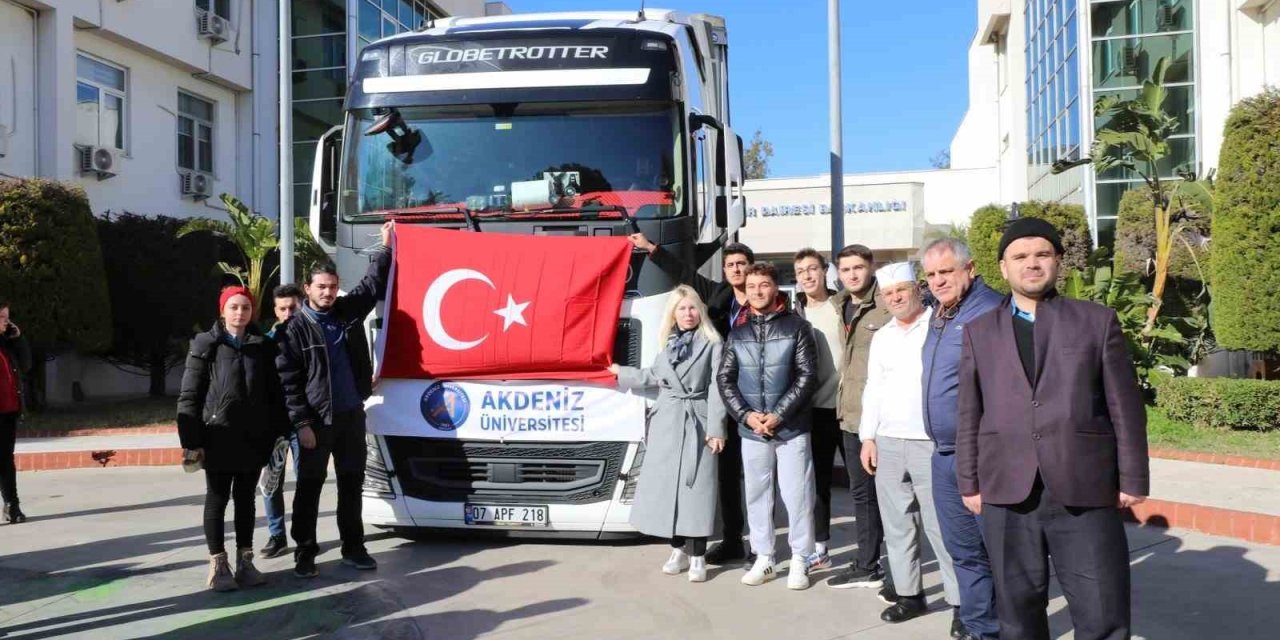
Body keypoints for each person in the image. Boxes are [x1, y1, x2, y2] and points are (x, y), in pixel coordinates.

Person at [957, 218, 1149, 640]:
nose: (1032, 264)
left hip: (1084, 485)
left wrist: (1132, 477)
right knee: (1017, 612)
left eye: (1042, 254)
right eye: (1020, 256)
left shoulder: (1096, 321)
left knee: (1101, 608)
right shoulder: (978, 332)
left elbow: (1125, 405)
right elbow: (970, 411)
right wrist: (969, 481)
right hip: (1006, 489)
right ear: (1003, 268)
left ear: (1058, 261)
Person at [629, 231, 755, 564]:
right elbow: (684, 275)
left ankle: (757, 540)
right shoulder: (717, 294)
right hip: (716, 396)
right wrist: (651, 249)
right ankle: (730, 539)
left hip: (752, 398)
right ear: (725, 270)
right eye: (730, 265)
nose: (736, 270)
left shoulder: (762, 300)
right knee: (722, 474)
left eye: (742, 264)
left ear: (752, 268)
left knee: (753, 476)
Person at [276, 221, 393, 579]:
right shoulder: (292, 330)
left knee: (351, 484)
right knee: (309, 490)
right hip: (316, 423)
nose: (327, 293)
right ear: (307, 289)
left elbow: (372, 285)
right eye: (321, 287)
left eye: (332, 287)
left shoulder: (345, 314)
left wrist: (386, 247)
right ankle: (305, 553)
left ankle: (354, 548)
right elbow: (289, 383)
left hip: (350, 416)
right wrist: (302, 425)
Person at [859, 262, 961, 625]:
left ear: (918, 288)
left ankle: (962, 604)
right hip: (888, 440)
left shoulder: (939, 326)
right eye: (888, 293)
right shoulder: (883, 335)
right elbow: (873, 387)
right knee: (898, 523)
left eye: (901, 289)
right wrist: (867, 436)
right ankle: (909, 594)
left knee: (942, 525)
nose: (896, 297)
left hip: (929, 441)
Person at [610, 285, 726, 583]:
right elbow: (653, 376)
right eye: (681, 308)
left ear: (700, 310)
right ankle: (677, 549)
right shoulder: (669, 343)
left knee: (696, 490)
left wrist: (716, 428)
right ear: (673, 313)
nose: (688, 314)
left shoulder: (713, 343)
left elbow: (717, 388)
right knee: (667, 491)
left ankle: (698, 554)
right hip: (667, 424)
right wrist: (619, 372)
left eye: (692, 308)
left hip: (697, 422)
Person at [920, 238, 1004, 640]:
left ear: (969, 269)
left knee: (1002, 553)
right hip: (944, 454)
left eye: (946, 271)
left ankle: (1013, 626)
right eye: (932, 274)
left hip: (984, 455)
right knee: (964, 551)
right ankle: (979, 628)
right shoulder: (941, 313)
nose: (938, 281)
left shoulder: (990, 311)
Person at [177, 286, 287, 591]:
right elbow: (190, 394)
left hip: (253, 438)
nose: (240, 313)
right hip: (216, 437)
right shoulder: (205, 344)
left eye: (246, 308)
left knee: (245, 501)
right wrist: (191, 440)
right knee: (217, 499)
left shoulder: (262, 346)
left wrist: (277, 432)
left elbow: (274, 395)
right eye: (234, 307)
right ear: (222, 311)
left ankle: (245, 561)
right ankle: (218, 564)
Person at [716, 263, 817, 590]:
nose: (758, 291)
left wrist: (779, 415)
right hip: (752, 430)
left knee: (797, 495)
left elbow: (806, 377)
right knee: (757, 495)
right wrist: (746, 416)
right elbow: (725, 379)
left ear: (776, 289)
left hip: (791, 428)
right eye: (752, 286)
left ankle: (802, 558)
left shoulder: (798, 328)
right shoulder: (738, 333)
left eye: (764, 285)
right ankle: (765, 557)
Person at [825, 245, 893, 593]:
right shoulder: (841, 305)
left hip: (881, 419)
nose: (852, 274)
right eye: (845, 269)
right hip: (851, 415)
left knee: (890, 496)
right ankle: (869, 564)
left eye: (858, 268)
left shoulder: (886, 305)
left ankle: (887, 567)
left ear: (871, 268)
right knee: (862, 495)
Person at [791, 248, 843, 570]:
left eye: (813, 269)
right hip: (815, 411)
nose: (808, 276)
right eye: (801, 271)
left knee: (866, 484)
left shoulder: (844, 306)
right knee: (818, 482)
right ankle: (820, 547)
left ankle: (873, 550)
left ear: (825, 271)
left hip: (849, 407)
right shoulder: (794, 315)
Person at [260, 284, 303, 559]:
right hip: (274, 425)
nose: (288, 313)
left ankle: (304, 538)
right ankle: (277, 536)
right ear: (275, 310)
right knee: (271, 482)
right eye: (282, 308)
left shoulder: (312, 337)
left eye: (292, 308)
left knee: (306, 481)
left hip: (304, 423)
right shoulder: (265, 343)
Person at [0, 301, 32, 525]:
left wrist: (19, 338)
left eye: (7, 317)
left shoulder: (7, 344)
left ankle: (12, 506)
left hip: (8, 411)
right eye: (2, 317)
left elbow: (26, 365)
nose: (7, 322)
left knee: (5, 460)